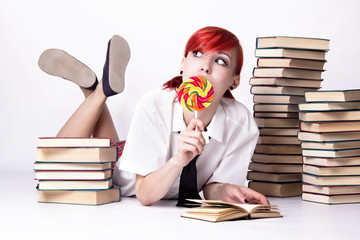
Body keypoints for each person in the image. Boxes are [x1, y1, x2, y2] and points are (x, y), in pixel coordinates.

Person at [38, 26, 268, 207]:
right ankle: (97, 92)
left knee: (110, 148)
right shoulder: (155, 104)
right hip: (122, 174)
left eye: (220, 61)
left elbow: (212, 187)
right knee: (55, 168)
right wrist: (179, 159)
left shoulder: (241, 125)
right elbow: (145, 195)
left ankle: (94, 90)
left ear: (234, 80)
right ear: (183, 64)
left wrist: (224, 191)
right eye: (197, 54)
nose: (205, 67)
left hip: (125, 149)